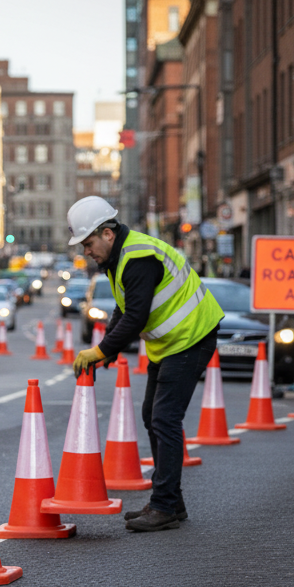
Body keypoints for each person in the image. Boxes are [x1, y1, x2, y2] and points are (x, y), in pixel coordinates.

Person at [69, 196, 223, 533]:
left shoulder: (138, 257)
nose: (87, 251)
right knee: (152, 414)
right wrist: (108, 350)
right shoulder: (120, 258)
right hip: (170, 343)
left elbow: (136, 317)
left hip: (191, 336)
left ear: (107, 233)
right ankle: (171, 502)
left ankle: (164, 505)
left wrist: (100, 350)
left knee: (164, 418)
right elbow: (124, 309)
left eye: (89, 243)